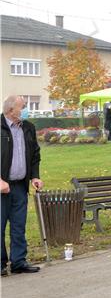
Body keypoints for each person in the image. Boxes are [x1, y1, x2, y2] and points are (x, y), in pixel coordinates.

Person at [1, 95, 43, 276]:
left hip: (19, 186)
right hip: (2, 186)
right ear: (11, 110)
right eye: (22, 107)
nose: (25, 110)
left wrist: (34, 176)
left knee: (19, 225)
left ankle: (18, 261)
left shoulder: (28, 128)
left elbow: (34, 154)